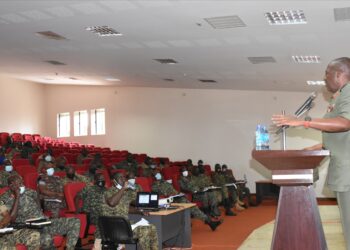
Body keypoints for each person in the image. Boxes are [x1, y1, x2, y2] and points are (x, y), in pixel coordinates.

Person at [271, 57, 350, 249]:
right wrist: (313, 150)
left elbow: (345, 123)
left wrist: (303, 121)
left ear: (339, 74)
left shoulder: (349, 91)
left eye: (327, 73)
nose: (324, 78)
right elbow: (340, 136)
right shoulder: (340, 96)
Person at [0, 175, 80, 250]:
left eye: (21, 183)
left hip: (43, 222)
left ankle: (70, 248)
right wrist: (17, 197)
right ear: (11, 186)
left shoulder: (31, 192)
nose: (22, 186)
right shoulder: (6, 198)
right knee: (46, 239)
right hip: (27, 226)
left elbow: (39, 206)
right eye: (18, 184)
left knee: (74, 222)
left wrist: (42, 216)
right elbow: (11, 219)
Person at [102, 173, 159, 250]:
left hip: (124, 225)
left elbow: (128, 208)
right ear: (114, 181)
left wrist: (140, 211)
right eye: (120, 178)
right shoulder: (108, 191)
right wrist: (123, 189)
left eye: (124, 178)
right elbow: (112, 203)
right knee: (145, 231)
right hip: (114, 226)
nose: (123, 180)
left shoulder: (125, 193)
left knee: (152, 227)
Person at [151, 171, 222, 231]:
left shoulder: (165, 182)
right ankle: (210, 223)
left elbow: (173, 191)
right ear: (154, 177)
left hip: (177, 198)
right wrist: (174, 194)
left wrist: (179, 193)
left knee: (193, 207)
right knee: (191, 207)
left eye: (159, 173)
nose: (159, 175)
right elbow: (163, 194)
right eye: (156, 174)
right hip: (169, 200)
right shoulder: (155, 185)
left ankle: (209, 222)